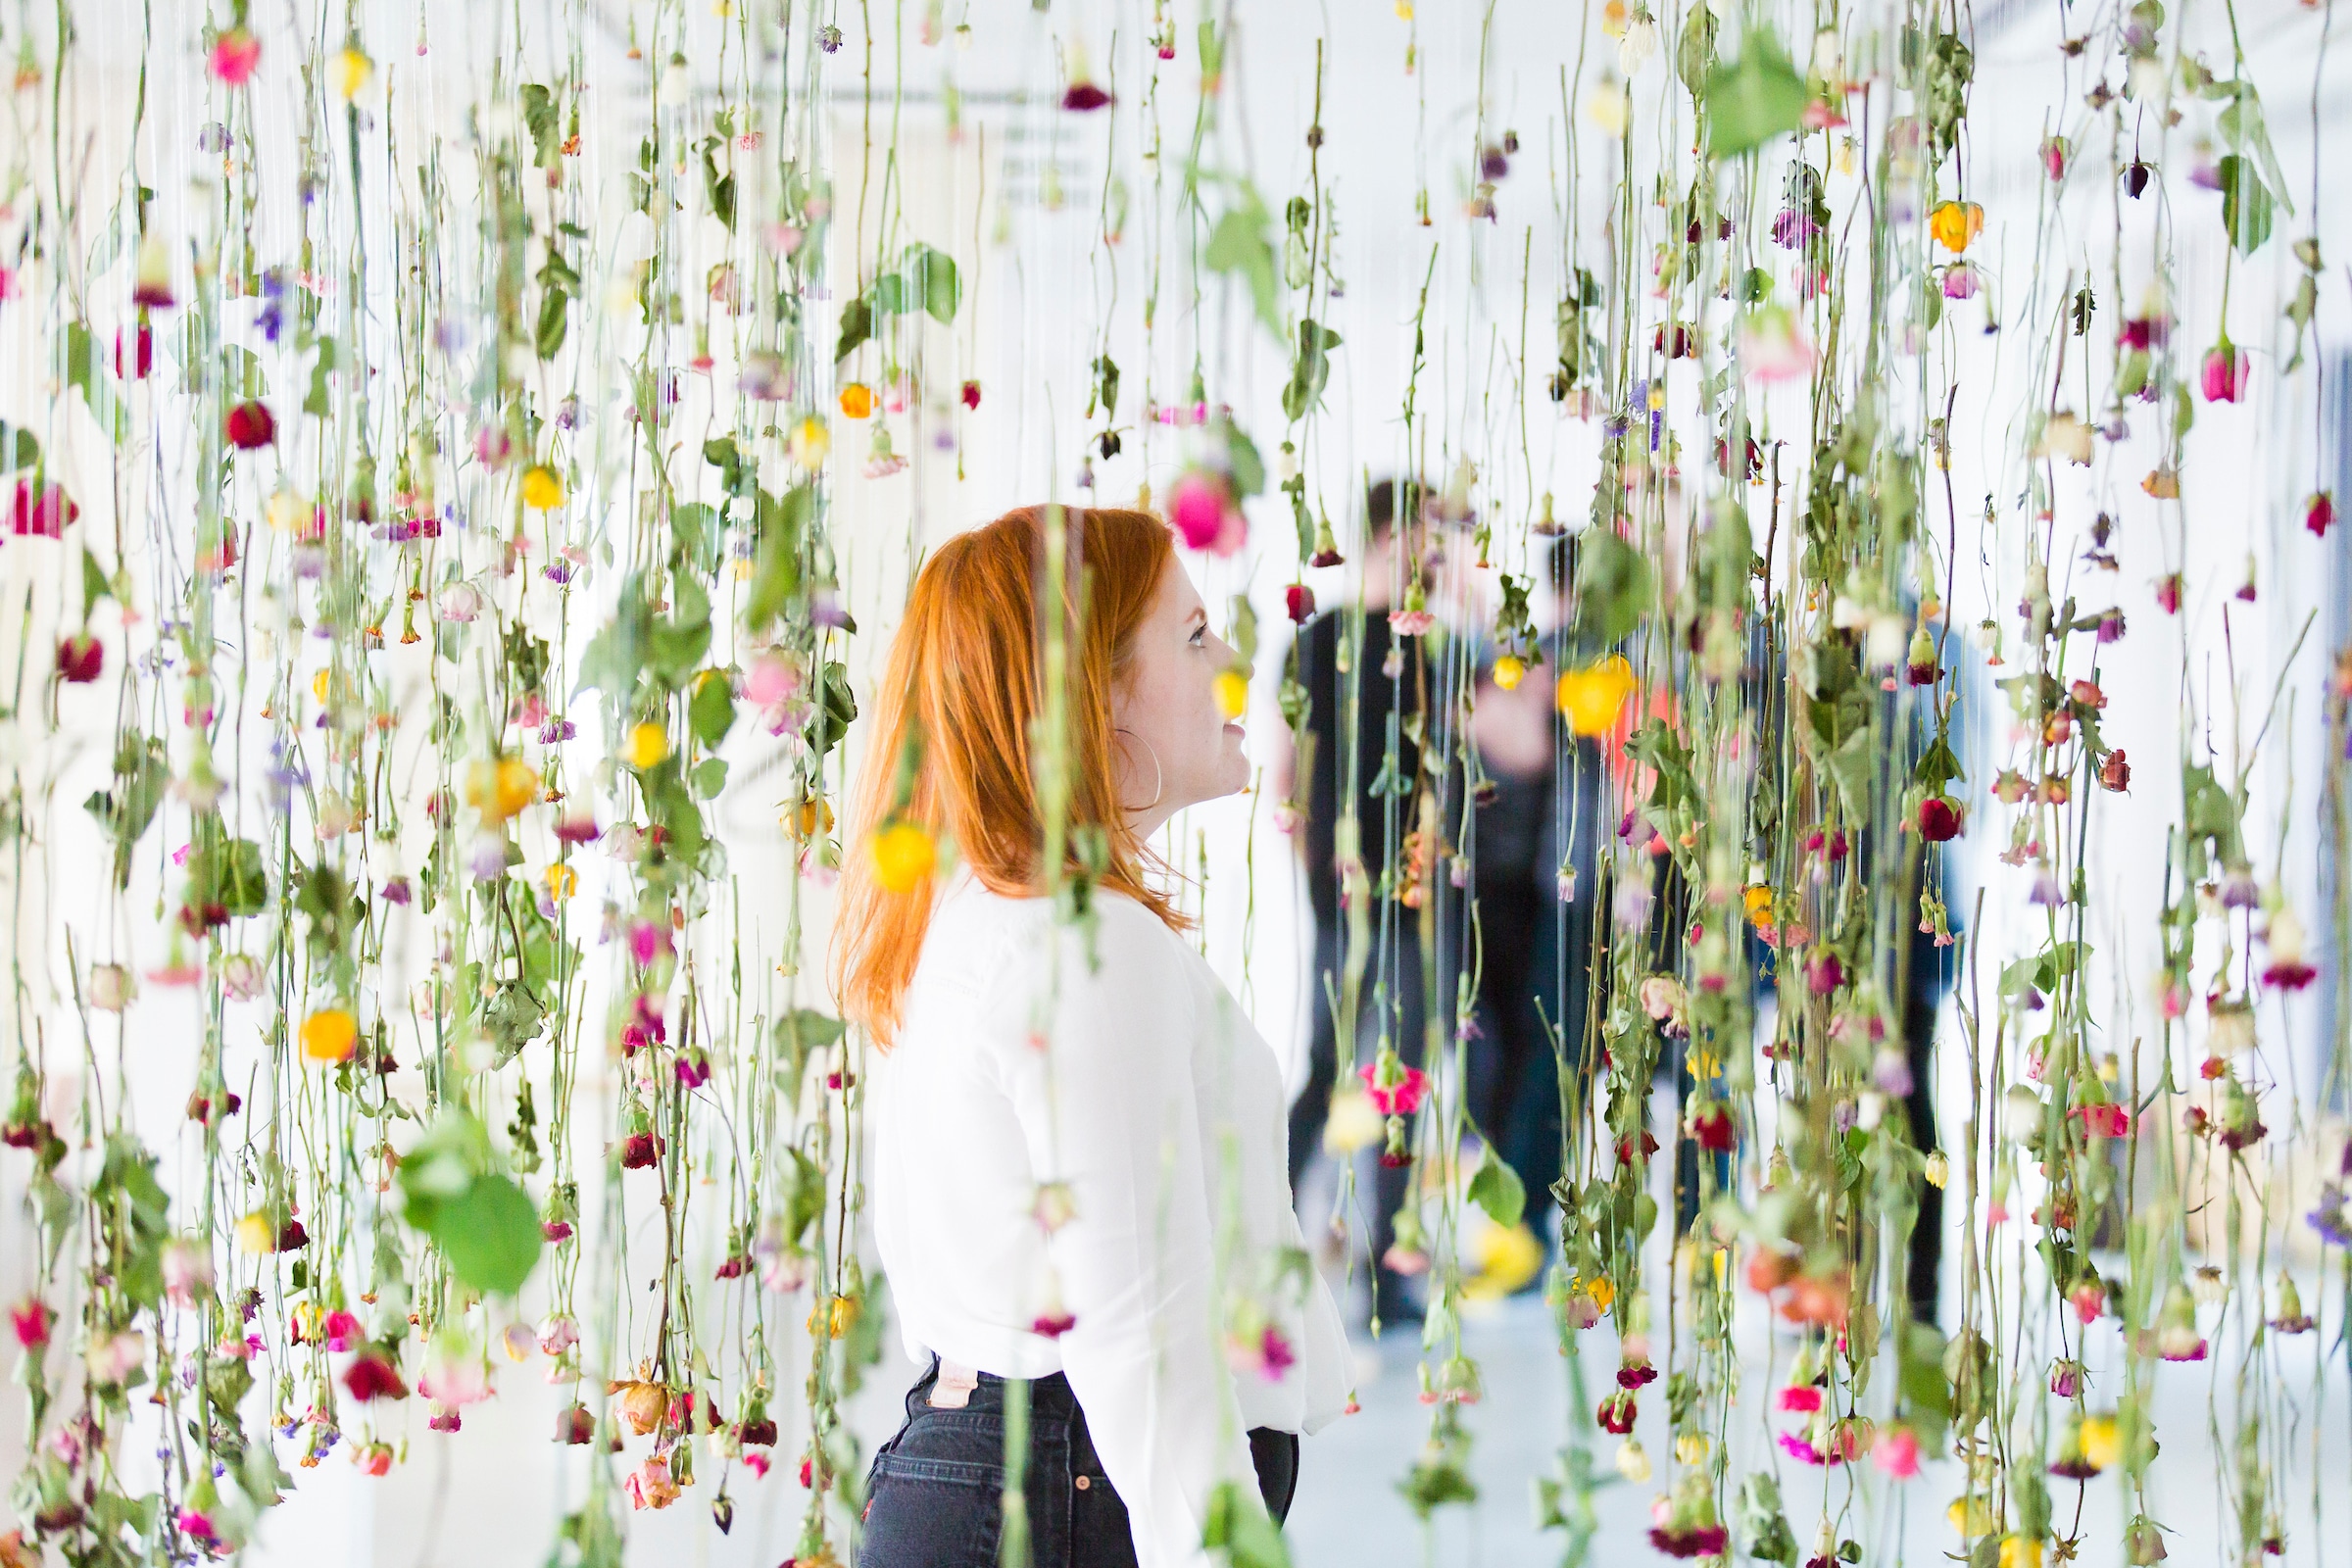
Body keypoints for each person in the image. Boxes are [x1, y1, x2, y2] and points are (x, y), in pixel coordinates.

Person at [835, 505, 1349, 1568]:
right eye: (1195, 636)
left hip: (1009, 1476)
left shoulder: (996, 913)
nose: (1234, 663)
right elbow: (1143, 1330)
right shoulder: (1082, 942)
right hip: (1063, 1493)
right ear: (1091, 693)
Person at [1272, 478, 1463, 1329]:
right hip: (1344, 885)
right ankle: (1265, 1233)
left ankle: (1394, 1259)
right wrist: (1319, 872)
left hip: (1416, 888)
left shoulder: (1437, 646)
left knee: (1407, 1071)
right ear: (1394, 533)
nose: (1438, 549)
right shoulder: (1322, 639)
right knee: (1330, 1060)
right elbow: (1289, 774)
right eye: (1429, 532)